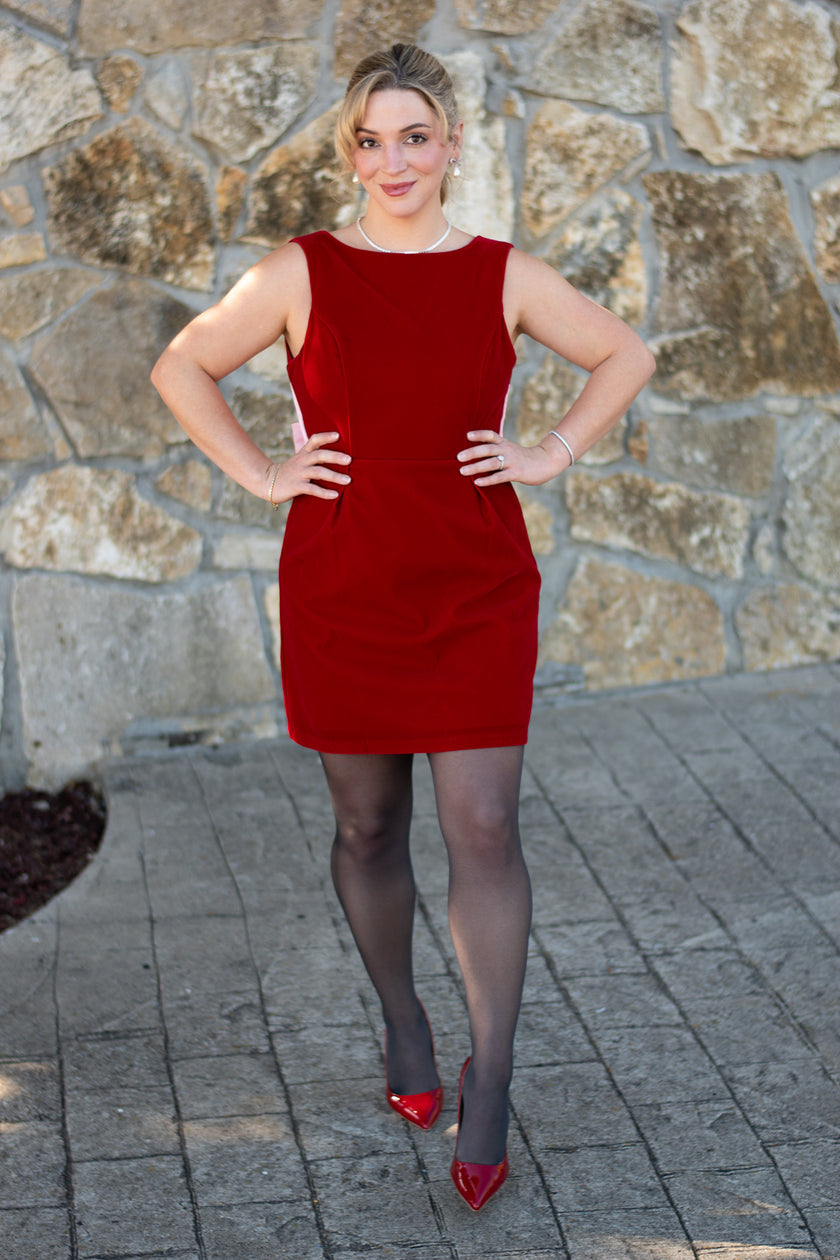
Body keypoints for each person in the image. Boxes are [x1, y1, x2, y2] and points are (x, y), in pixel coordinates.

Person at [151, 43, 655, 1211]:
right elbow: (185, 366)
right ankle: (403, 1018)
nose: (395, 160)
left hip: (476, 585)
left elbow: (623, 353)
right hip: (345, 584)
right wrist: (265, 470)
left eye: (415, 136)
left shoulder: (500, 273)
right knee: (368, 827)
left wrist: (549, 450)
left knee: (485, 825)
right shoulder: (300, 272)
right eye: (372, 141)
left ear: (451, 145)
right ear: (351, 153)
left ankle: (495, 1079)